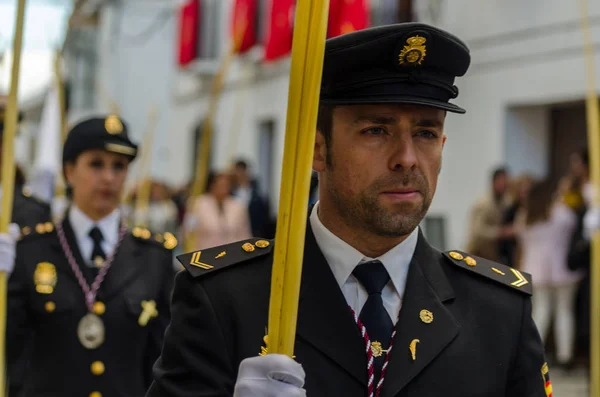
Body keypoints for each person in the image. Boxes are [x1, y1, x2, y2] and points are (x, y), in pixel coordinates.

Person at [147, 23, 550, 397]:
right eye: (376, 130)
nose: (407, 158)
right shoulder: (225, 299)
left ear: (441, 147)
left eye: (425, 133)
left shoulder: (498, 311)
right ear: (317, 148)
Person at [7, 115, 177, 397]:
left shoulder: (153, 257)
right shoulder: (29, 249)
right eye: (96, 164)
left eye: (119, 166)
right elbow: (10, 345)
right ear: (69, 171)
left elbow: (162, 356)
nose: (109, 177)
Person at [516, 180, 580, 369]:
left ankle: (535, 354)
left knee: (540, 313)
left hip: (535, 269)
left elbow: (521, 239)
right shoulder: (561, 213)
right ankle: (564, 356)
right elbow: (573, 225)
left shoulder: (525, 215)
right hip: (561, 270)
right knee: (564, 312)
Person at [184, 171, 252, 250]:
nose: (223, 188)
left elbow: (245, 234)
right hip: (205, 254)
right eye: (220, 184)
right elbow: (188, 231)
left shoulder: (238, 206)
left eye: (226, 185)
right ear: (212, 185)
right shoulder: (197, 204)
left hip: (232, 255)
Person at [466, 167, 513, 262]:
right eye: (502, 181)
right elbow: (477, 231)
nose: (505, 185)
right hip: (477, 255)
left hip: (493, 257)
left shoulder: (506, 202)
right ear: (494, 182)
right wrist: (500, 233)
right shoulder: (483, 204)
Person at [231, 160, 271, 237]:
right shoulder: (229, 193)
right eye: (237, 171)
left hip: (254, 235)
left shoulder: (259, 196)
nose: (240, 174)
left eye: (242, 171)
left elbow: (264, 221)